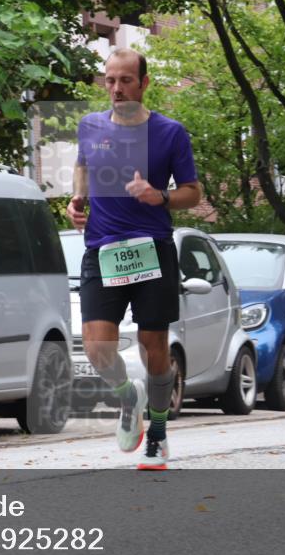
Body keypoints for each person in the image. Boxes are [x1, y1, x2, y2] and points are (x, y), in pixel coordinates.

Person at [67, 48, 203, 470]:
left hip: (152, 249)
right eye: (110, 80)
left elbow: (192, 193)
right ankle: (129, 396)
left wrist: (159, 195)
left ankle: (157, 434)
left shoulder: (170, 133)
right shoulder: (90, 126)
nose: (116, 89)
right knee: (96, 348)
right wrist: (76, 201)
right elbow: (82, 167)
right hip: (103, 249)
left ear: (143, 83)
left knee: (153, 347)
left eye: (125, 80)